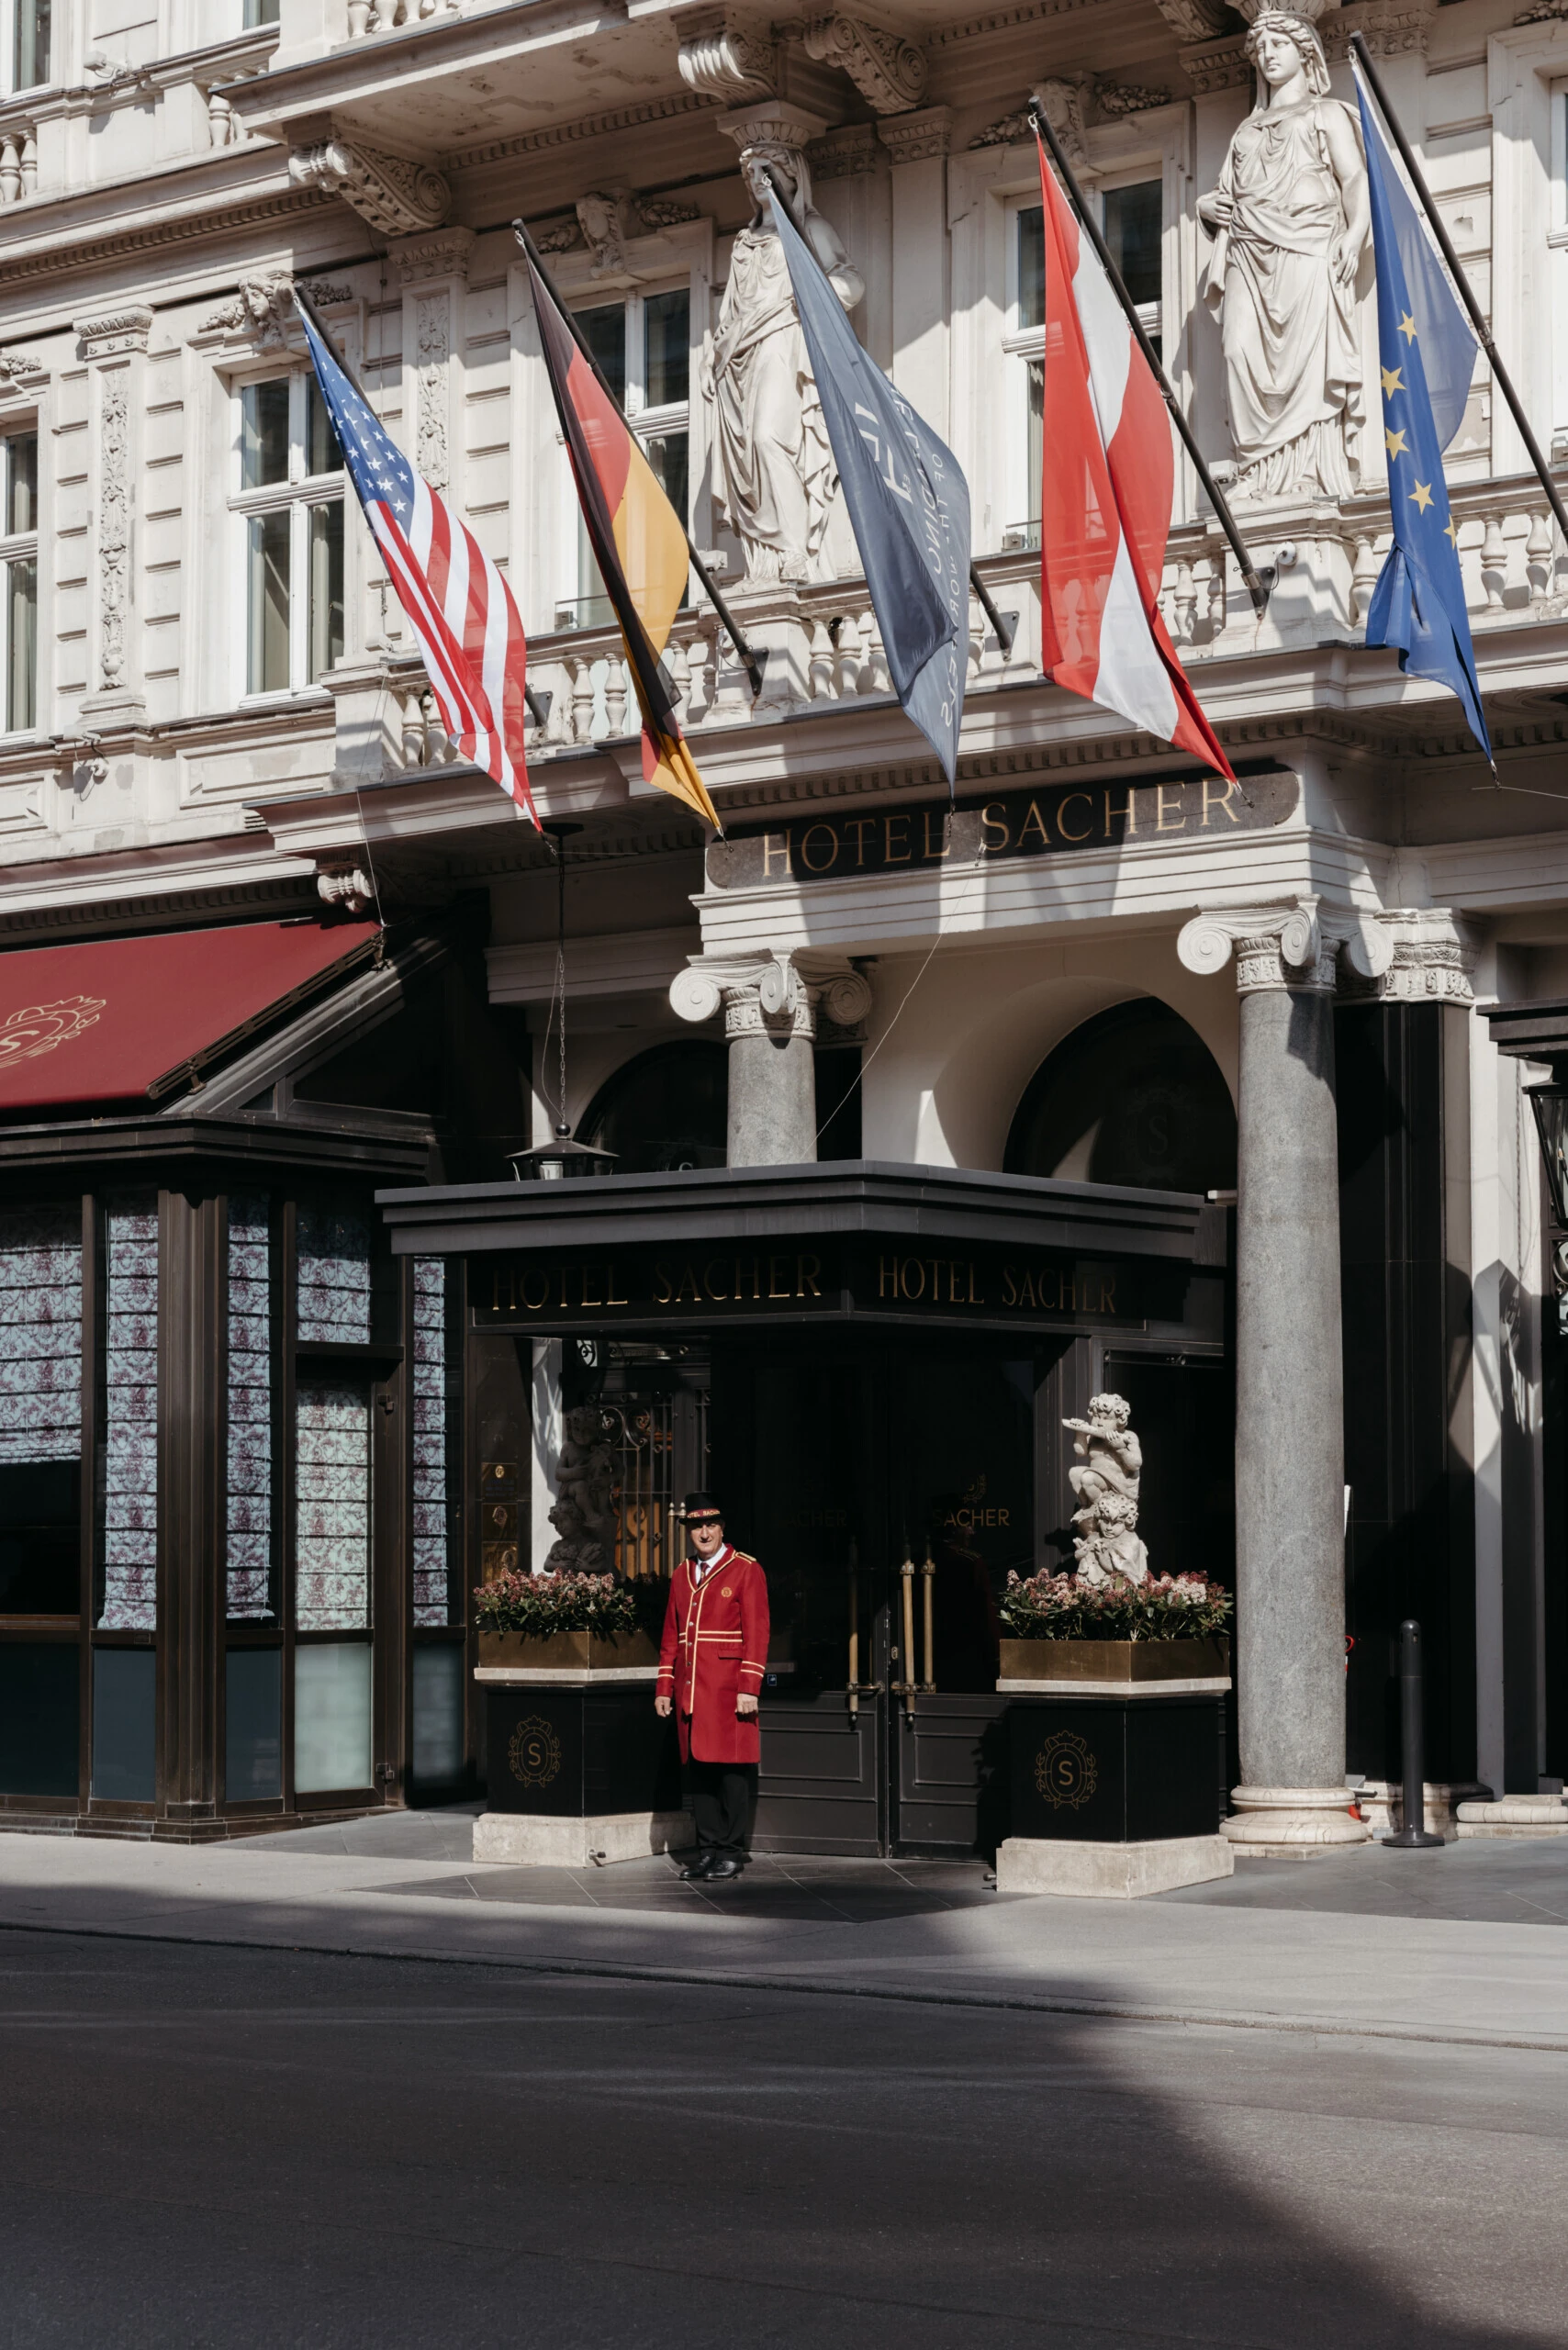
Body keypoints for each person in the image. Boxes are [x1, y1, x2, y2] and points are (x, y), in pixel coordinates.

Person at [1197, 6, 1371, 502]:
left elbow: (1354, 178)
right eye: (1260, 48)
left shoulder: (1326, 113)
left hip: (1309, 248)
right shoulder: (1245, 131)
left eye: (1279, 45)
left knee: (1308, 363)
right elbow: (1227, 192)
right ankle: (1258, 471)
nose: (1267, 55)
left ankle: (1307, 471)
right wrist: (1206, 206)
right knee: (1237, 350)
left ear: (1304, 51)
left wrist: (1355, 233)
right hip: (1249, 253)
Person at [655, 1492, 769, 1880]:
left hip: (729, 1693)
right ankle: (707, 1850)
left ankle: (731, 1852)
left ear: (722, 1529)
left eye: (710, 1525)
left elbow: (758, 1633)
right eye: (696, 1527)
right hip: (690, 1693)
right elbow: (671, 1636)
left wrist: (749, 1687)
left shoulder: (746, 1570)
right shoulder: (680, 1574)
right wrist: (664, 1686)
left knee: (731, 1775)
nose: (703, 1533)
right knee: (699, 1774)